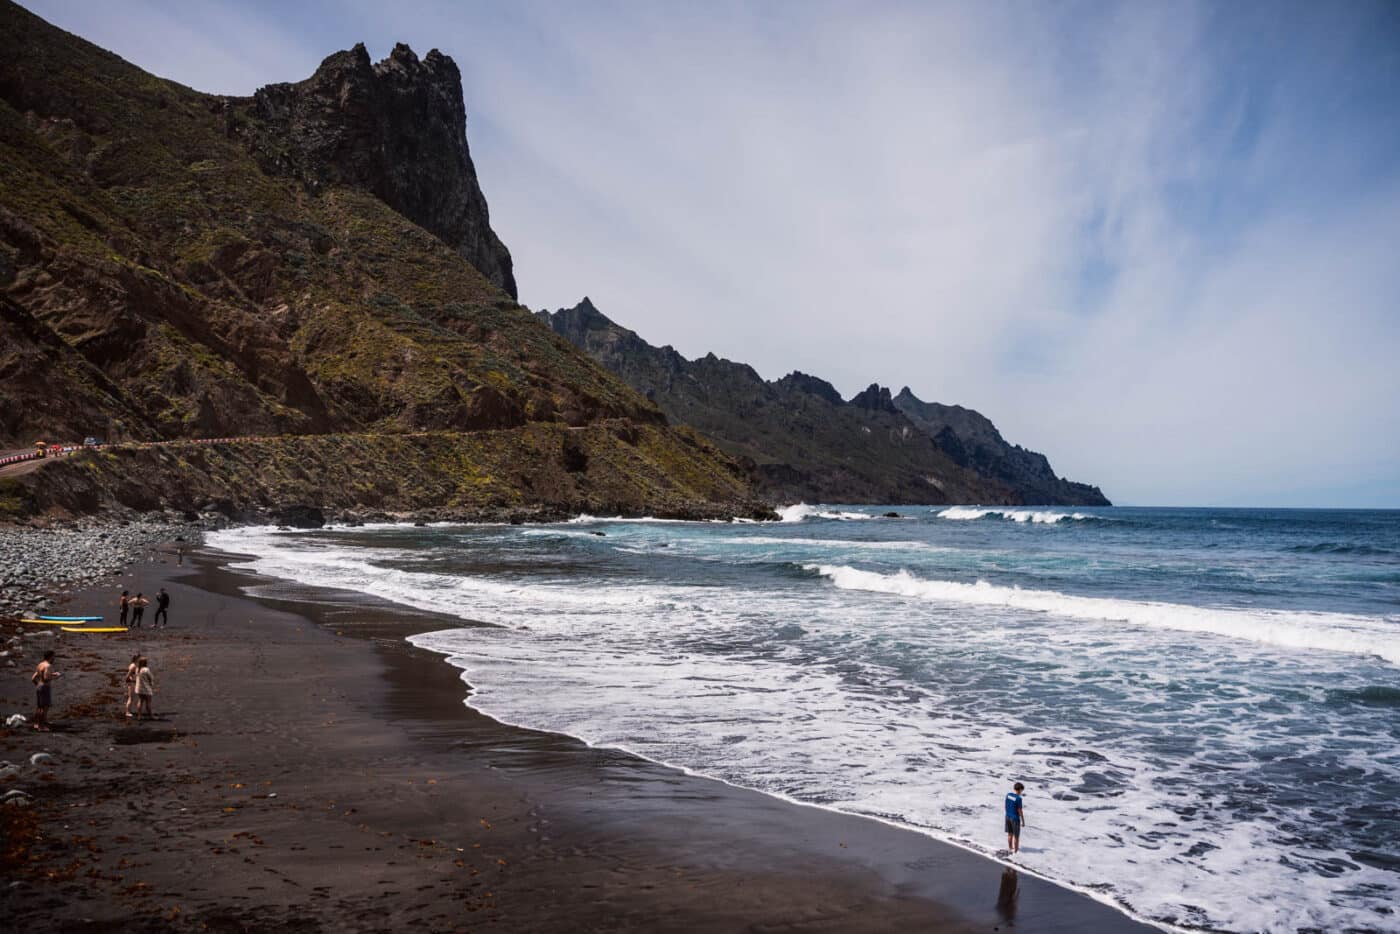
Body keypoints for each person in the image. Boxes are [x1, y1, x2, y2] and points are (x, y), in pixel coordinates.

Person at [31, 650, 61, 732]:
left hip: (39, 686)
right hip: (45, 688)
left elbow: (33, 678)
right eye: (53, 657)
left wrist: (38, 685)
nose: (54, 658)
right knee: (44, 708)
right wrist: (56, 676)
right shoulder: (48, 666)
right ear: (50, 657)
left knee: (39, 707)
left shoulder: (40, 664)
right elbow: (46, 678)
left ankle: (37, 724)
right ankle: (41, 726)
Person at [1005, 782, 1026, 854]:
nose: (1021, 792)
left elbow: (1005, 805)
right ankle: (1016, 852)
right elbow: (1019, 810)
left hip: (1007, 816)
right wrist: (1023, 821)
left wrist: (1008, 813)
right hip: (1015, 819)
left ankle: (1010, 848)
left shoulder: (1008, 795)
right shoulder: (1018, 798)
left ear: (1014, 788)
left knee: (1010, 834)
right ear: (1020, 790)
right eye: (1021, 790)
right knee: (1016, 837)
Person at [124, 654, 140, 719]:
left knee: (132, 697)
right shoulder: (133, 666)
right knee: (130, 697)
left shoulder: (134, 665)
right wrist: (129, 681)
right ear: (136, 659)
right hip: (132, 683)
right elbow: (128, 675)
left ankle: (129, 710)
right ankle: (127, 712)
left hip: (133, 683)